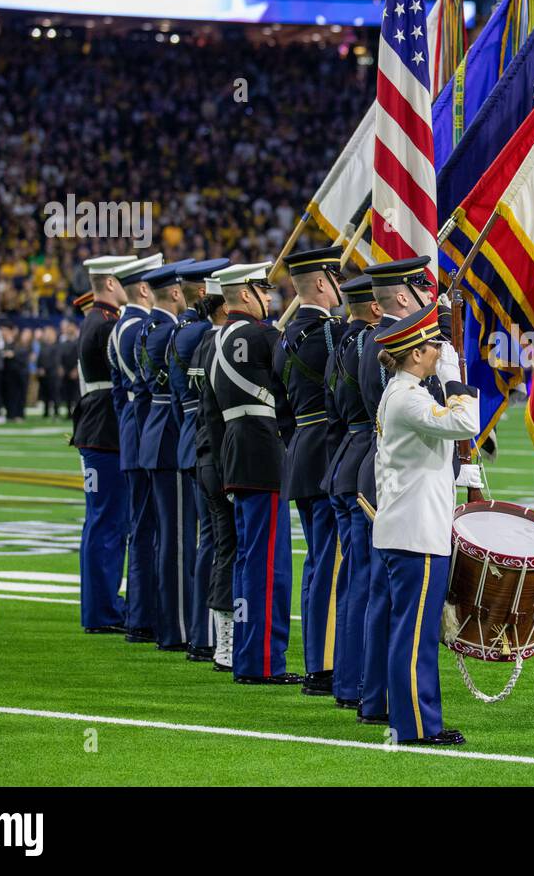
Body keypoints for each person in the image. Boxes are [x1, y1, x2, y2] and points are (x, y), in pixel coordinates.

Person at [371, 303, 479, 746]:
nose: (439, 350)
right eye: (434, 345)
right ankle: (416, 725)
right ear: (416, 353)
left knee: (410, 632)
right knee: (414, 635)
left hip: (412, 528)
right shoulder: (408, 397)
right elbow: (465, 422)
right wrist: (455, 374)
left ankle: (416, 718)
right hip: (415, 532)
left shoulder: (405, 393)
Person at [351, 257, 441, 717]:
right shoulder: (396, 345)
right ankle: (390, 701)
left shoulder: (373, 339)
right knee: (394, 602)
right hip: (395, 481)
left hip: (378, 469)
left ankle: (375, 697)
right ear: (406, 296)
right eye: (423, 290)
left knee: (383, 598)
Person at [208, 261, 299, 685]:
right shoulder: (264, 336)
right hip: (264, 452)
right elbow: (294, 383)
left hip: (234, 453)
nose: (270, 296)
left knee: (248, 561)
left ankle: (248, 655)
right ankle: (263, 662)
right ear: (246, 294)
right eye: (263, 289)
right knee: (269, 566)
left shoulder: (217, 339)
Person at [272, 247, 347, 698]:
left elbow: (284, 411)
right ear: (322, 283)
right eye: (336, 278)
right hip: (327, 456)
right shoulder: (331, 335)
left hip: (300, 451)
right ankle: (324, 665)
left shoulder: (285, 338)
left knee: (318, 561)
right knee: (332, 564)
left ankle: (316, 658)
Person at [324, 275, 386, 721]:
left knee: (352, 581)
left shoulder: (341, 342)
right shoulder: (369, 343)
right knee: (366, 582)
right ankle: (365, 683)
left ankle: (347, 682)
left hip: (345, 457)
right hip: (369, 461)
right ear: (378, 308)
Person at [70, 254, 136, 634]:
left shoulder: (95, 319)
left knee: (102, 522)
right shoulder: (106, 323)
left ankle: (101, 608)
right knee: (109, 523)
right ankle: (104, 611)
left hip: (97, 428)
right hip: (106, 430)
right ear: (111, 283)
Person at [168, 258, 230, 663]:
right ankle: (205, 635)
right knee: (216, 541)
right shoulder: (205, 336)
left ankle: (199, 631)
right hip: (211, 442)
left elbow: (178, 400)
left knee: (207, 540)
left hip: (193, 441)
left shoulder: (182, 333)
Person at [136, 259, 197, 652]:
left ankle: (166, 621)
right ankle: (176, 628)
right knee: (176, 543)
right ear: (175, 292)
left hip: (155, 437)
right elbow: (177, 395)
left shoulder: (149, 329)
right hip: (168, 439)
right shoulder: (169, 332)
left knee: (168, 538)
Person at [105, 253, 162, 643]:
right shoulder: (139, 327)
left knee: (142, 527)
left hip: (133, 432)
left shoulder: (121, 327)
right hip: (145, 432)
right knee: (146, 529)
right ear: (144, 288)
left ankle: (143, 612)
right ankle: (143, 615)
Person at [192, 275, 238, 671]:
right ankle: (225, 643)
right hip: (222, 458)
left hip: (207, 454)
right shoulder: (221, 342)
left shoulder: (204, 340)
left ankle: (221, 639)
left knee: (222, 548)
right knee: (229, 550)